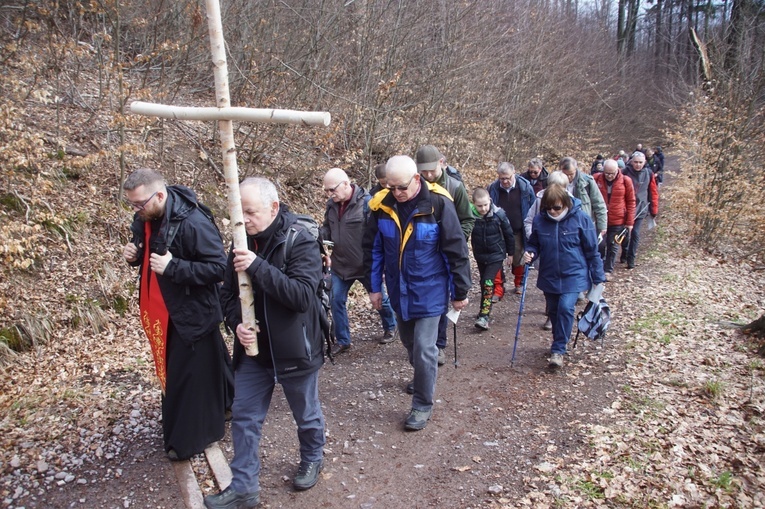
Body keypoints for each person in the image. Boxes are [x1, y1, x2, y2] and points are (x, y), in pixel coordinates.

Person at [206, 178, 326, 508]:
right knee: (244, 416)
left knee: (306, 414)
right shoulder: (240, 243)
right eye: (238, 214)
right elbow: (227, 296)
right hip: (253, 354)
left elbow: (301, 296)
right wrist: (237, 324)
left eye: (250, 212)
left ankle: (313, 457)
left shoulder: (300, 239)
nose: (243, 222)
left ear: (273, 208)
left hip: (296, 350)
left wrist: (256, 266)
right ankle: (243, 486)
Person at [122, 168, 233, 461]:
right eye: (132, 204)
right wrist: (135, 254)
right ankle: (230, 402)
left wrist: (174, 268)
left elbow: (219, 268)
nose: (136, 210)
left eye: (139, 204)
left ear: (160, 195)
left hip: (192, 312)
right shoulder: (146, 217)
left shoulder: (194, 222)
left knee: (187, 375)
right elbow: (146, 247)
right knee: (208, 361)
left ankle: (192, 438)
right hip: (163, 310)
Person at [364, 155, 471, 431]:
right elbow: (373, 251)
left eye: (401, 187)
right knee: (410, 344)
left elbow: (456, 250)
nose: (397, 193)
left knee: (425, 348)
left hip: (431, 289)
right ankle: (423, 374)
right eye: (391, 187)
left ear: (416, 179)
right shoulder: (381, 207)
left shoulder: (438, 204)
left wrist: (460, 291)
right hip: (399, 291)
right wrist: (374, 287)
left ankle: (422, 404)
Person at [522, 185, 605, 368]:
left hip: (573, 274)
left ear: (565, 204)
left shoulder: (581, 219)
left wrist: (598, 278)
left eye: (556, 207)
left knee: (566, 307)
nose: (552, 211)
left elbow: (592, 251)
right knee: (553, 311)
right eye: (548, 208)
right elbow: (534, 244)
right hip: (549, 274)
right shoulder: (539, 221)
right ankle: (559, 340)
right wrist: (530, 253)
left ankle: (558, 349)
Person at [320, 168, 397, 353]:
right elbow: (326, 228)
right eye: (327, 191)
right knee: (336, 300)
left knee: (380, 299)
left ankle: (391, 327)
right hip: (340, 265)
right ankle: (343, 340)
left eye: (332, 189)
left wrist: (382, 262)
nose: (330, 194)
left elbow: (378, 235)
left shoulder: (367, 204)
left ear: (346, 184)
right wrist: (318, 237)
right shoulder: (331, 206)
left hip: (365, 265)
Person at [415, 144, 474, 366]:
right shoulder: (415, 186)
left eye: (431, 170)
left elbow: (467, 219)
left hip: (448, 251)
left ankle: (439, 345)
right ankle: (428, 342)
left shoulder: (455, 187)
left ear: (441, 163)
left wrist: (457, 239)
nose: (428, 175)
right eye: (424, 172)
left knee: (444, 298)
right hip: (425, 250)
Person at [524, 170, 570, 331]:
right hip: (544, 250)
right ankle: (551, 309)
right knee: (548, 283)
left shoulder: (571, 203)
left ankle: (554, 315)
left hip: (564, 253)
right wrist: (535, 237)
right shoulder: (539, 201)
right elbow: (529, 221)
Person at [488, 162, 535, 300]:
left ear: (514, 173)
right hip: (498, 230)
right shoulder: (493, 188)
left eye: (508, 178)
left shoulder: (525, 187)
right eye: (502, 178)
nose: (505, 181)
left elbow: (532, 208)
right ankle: (498, 288)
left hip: (518, 230)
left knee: (518, 258)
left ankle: (519, 282)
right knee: (495, 258)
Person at [470, 187, 514, 330]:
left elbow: (509, 234)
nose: (483, 208)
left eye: (485, 205)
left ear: (490, 201)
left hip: (496, 254)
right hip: (480, 254)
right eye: (479, 206)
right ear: (474, 204)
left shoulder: (499, 214)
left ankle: (484, 316)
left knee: (488, 281)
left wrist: (511, 254)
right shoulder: (470, 216)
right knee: (484, 283)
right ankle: (484, 308)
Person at [593, 159, 635, 279]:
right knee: (600, 245)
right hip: (600, 219)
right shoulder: (596, 179)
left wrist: (629, 222)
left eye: (612, 173)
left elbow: (631, 202)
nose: (609, 176)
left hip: (618, 220)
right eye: (607, 173)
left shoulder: (626, 181)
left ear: (618, 171)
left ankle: (608, 270)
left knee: (613, 245)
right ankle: (599, 267)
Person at [621, 151, 659, 269]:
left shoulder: (648, 173)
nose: (638, 165)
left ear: (645, 162)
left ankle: (631, 259)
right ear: (631, 162)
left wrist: (654, 209)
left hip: (641, 208)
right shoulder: (624, 172)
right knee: (625, 234)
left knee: (636, 233)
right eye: (636, 162)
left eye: (640, 162)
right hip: (626, 208)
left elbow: (653, 191)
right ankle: (625, 252)